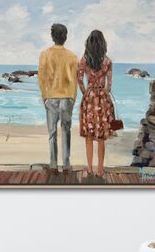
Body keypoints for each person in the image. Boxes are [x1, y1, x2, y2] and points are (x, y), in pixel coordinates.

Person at [38, 24, 78, 175]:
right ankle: (66, 165)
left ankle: (54, 165)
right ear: (65, 37)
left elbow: (42, 78)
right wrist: (73, 97)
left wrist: (44, 96)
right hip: (67, 97)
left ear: (52, 36)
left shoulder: (45, 54)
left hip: (52, 97)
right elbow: (74, 79)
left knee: (52, 132)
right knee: (66, 131)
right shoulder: (73, 56)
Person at [77, 30, 115, 178]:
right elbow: (109, 85)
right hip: (102, 98)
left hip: (89, 97)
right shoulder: (107, 61)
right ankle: (100, 170)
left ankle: (90, 169)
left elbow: (79, 79)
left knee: (88, 135)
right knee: (101, 137)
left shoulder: (84, 60)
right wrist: (104, 92)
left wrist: (85, 92)